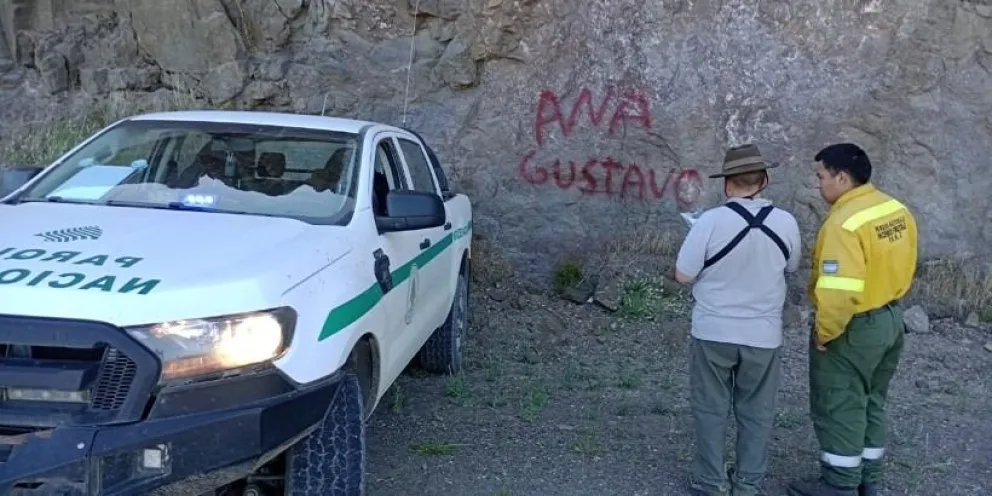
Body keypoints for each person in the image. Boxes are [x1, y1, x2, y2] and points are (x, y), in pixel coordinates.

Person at [786, 143, 918, 496]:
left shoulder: (843, 225)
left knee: (840, 402)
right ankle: (868, 479)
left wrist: (825, 332)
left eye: (821, 176)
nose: (819, 184)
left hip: (855, 327)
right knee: (872, 399)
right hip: (891, 319)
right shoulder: (894, 209)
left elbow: (839, 291)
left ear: (842, 178)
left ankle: (840, 484)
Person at [674, 143, 802, 496]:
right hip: (762, 333)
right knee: (757, 412)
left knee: (711, 408)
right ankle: (748, 483)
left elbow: (683, 275)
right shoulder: (786, 222)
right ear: (764, 181)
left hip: (713, 330)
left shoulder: (710, 221)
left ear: (728, 184)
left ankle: (709, 481)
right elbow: (791, 266)